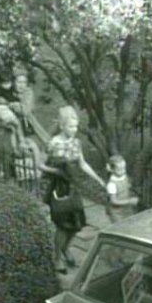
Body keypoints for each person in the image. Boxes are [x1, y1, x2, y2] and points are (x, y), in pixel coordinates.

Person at [39, 105, 106, 274]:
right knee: (62, 226)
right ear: (62, 126)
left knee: (76, 224)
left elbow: (82, 164)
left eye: (76, 126)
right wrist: (59, 171)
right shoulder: (54, 143)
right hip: (59, 189)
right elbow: (41, 165)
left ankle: (65, 249)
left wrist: (98, 179)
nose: (74, 130)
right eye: (70, 126)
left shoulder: (76, 143)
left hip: (73, 187)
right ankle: (56, 258)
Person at [105, 155, 139, 224]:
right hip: (117, 213)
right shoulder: (112, 184)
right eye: (119, 170)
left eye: (124, 168)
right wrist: (129, 201)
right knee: (119, 227)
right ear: (112, 169)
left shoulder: (124, 177)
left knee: (129, 226)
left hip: (127, 209)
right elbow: (113, 201)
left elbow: (127, 186)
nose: (122, 171)